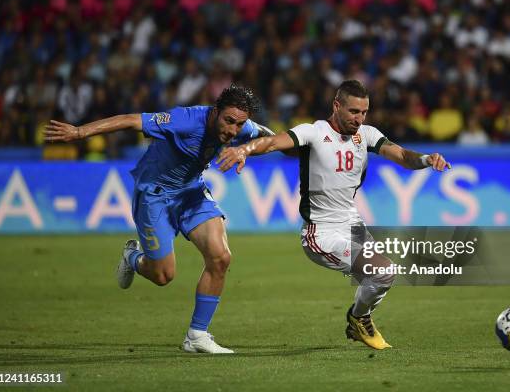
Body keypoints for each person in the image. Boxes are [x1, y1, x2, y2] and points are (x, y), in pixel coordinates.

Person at [217, 80, 450, 350]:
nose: (359, 119)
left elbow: (400, 154)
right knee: (383, 271)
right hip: (321, 232)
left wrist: (425, 159)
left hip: (352, 222)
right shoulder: (313, 132)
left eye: (364, 112)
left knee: (384, 275)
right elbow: (272, 142)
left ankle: (358, 319)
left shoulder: (368, 134)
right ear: (336, 106)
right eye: (353, 112)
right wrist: (243, 149)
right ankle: (359, 318)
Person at [45, 85, 274, 354]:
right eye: (229, 121)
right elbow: (131, 120)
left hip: (191, 192)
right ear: (215, 112)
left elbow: (269, 137)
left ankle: (197, 335)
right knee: (163, 275)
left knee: (220, 257)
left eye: (239, 124)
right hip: (155, 194)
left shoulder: (240, 127)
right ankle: (132, 256)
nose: (233, 131)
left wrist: (293, 146)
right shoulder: (185, 120)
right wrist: (81, 131)